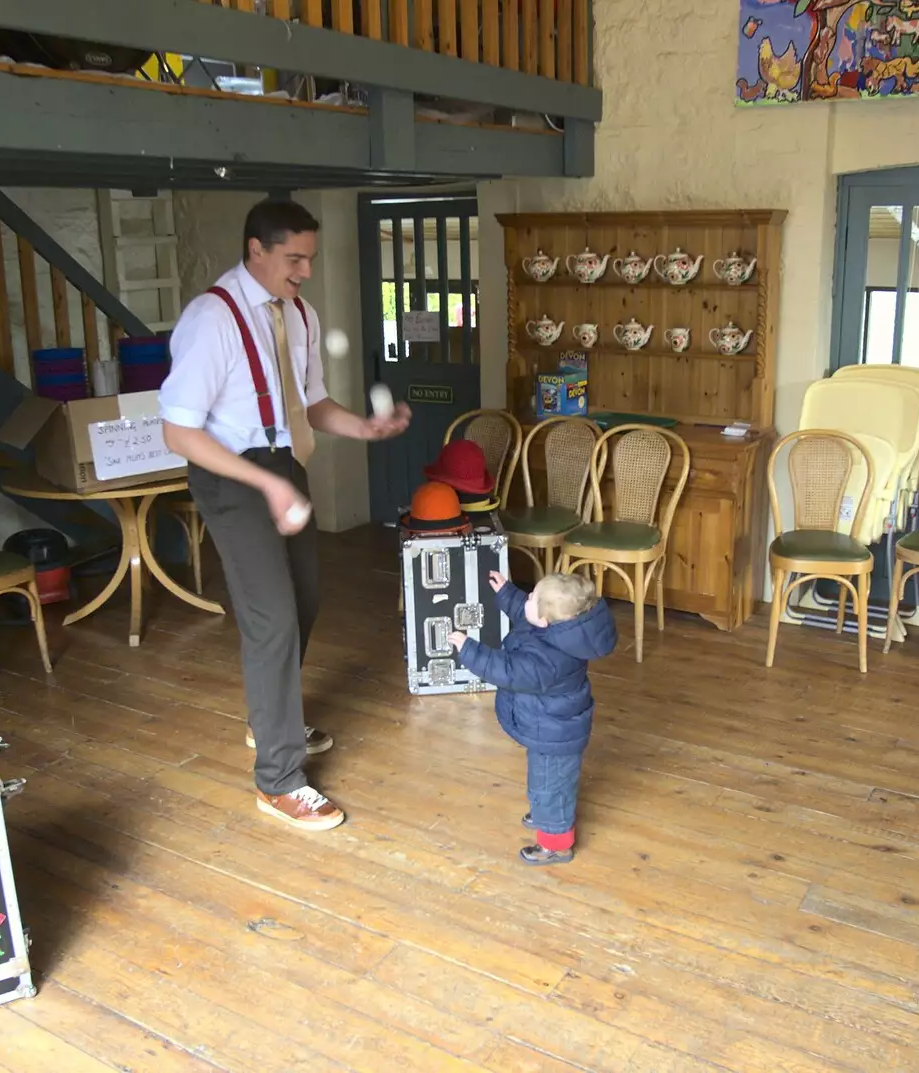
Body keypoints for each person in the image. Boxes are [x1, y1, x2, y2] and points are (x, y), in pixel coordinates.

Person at [160, 197, 410, 832]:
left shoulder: (299, 314)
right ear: (256, 251)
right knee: (271, 618)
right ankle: (279, 779)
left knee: (304, 600)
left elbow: (313, 401)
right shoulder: (210, 319)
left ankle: (267, 716)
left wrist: (363, 427)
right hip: (231, 475)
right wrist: (262, 485)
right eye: (293, 259)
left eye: (310, 259)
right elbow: (179, 432)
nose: (304, 272)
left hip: (282, 468)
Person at [449, 571, 618, 865]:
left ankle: (556, 843)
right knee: (547, 781)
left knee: (551, 786)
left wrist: (469, 649)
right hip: (551, 725)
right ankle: (546, 813)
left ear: (544, 619)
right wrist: (507, 593)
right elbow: (526, 613)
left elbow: (507, 670)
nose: (526, 599)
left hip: (553, 734)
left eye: (531, 597)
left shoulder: (547, 660)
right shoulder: (563, 628)